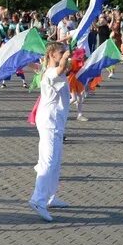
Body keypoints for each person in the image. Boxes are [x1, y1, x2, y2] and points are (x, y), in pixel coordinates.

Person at [29, 41, 72, 222]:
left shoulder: (54, 70)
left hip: (56, 120)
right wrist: (66, 57)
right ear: (52, 55)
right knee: (47, 162)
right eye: (60, 52)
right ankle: (37, 200)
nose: (63, 54)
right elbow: (62, 69)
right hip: (49, 122)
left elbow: (66, 68)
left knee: (55, 161)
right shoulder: (51, 72)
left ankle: (50, 196)